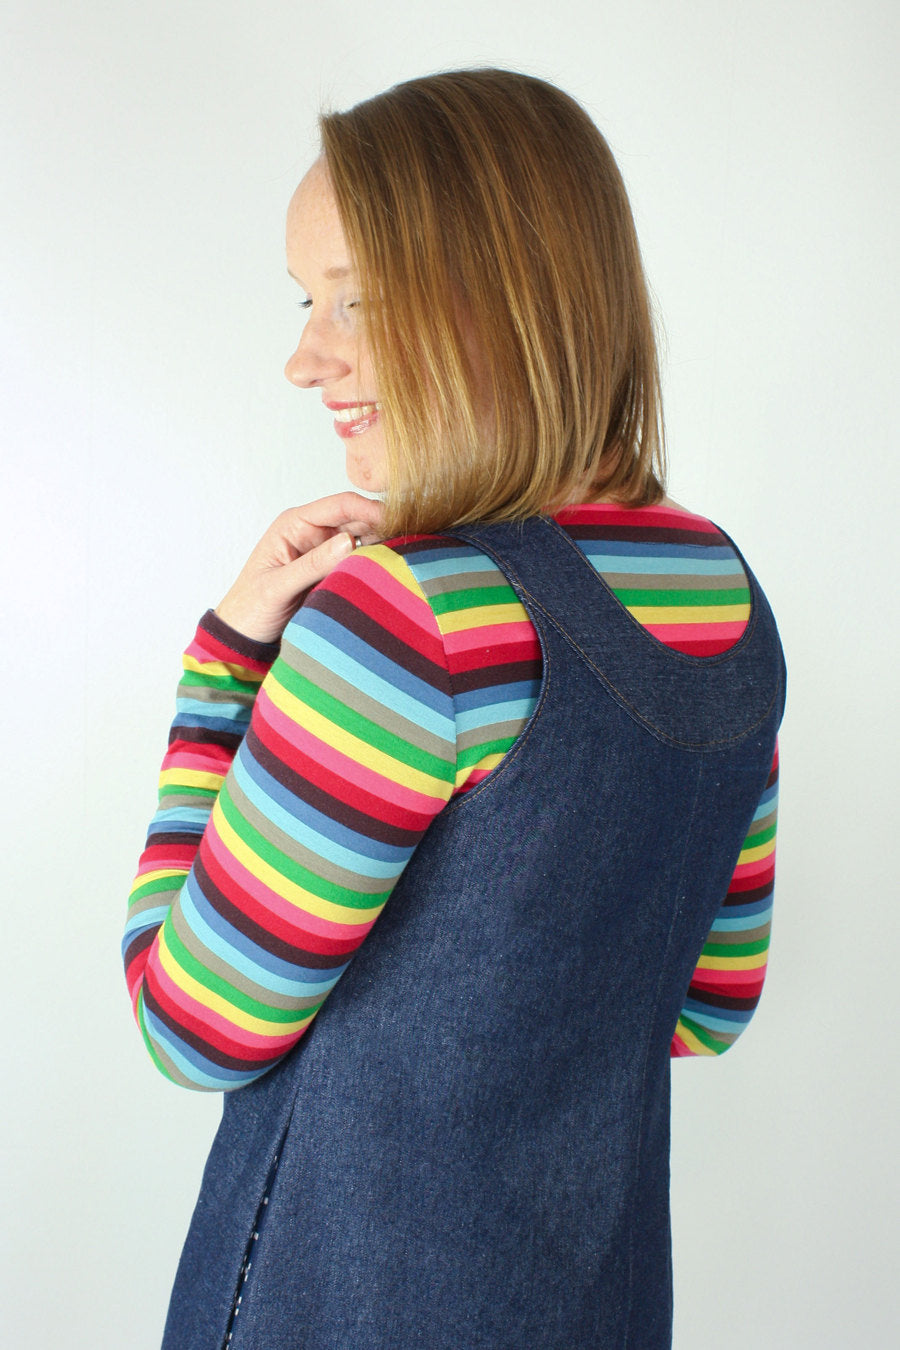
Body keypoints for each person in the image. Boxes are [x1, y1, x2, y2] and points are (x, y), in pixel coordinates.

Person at [124, 69, 784, 1350]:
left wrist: (226, 665)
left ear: (506, 291)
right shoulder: (724, 591)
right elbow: (710, 1005)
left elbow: (191, 1027)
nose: (304, 359)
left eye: (357, 300)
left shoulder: (405, 614)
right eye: (307, 302)